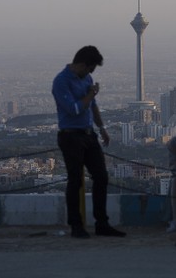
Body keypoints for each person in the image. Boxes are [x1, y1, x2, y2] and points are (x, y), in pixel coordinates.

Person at [52, 45, 126, 239]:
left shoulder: (87, 79)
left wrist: (102, 128)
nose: (91, 73)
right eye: (90, 69)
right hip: (70, 136)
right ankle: (76, 225)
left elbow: (93, 107)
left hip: (88, 134)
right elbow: (74, 109)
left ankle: (102, 223)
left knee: (101, 176)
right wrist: (91, 94)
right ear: (83, 64)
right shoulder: (61, 81)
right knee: (75, 180)